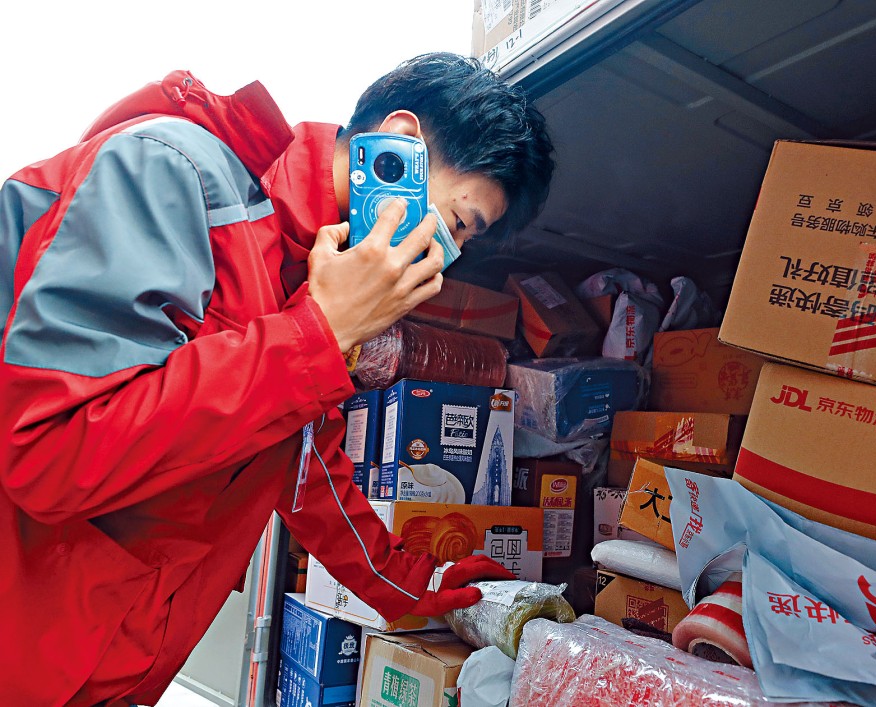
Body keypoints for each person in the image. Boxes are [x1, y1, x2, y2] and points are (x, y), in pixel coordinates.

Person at [0, 53, 555, 706]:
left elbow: (309, 467)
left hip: (104, 673)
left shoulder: (306, 272)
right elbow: (51, 448)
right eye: (459, 223)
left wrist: (421, 584)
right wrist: (320, 333)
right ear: (400, 148)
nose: (445, 256)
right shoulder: (170, 173)